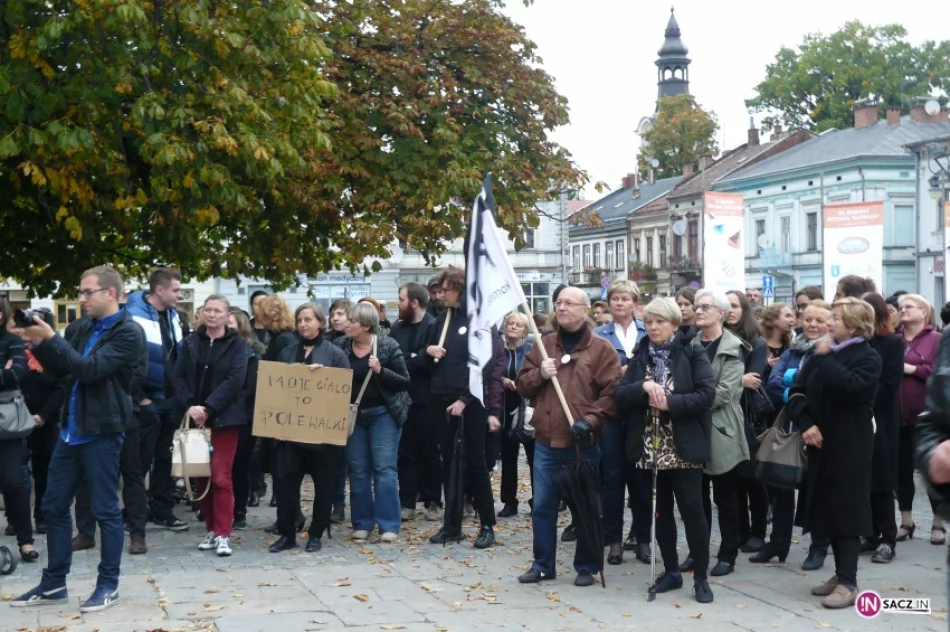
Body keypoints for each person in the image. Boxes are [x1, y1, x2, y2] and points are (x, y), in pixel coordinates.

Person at [11, 266, 146, 613]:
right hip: (71, 431)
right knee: (54, 506)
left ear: (110, 294)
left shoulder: (128, 332)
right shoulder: (82, 327)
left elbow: (89, 370)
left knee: (104, 510)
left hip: (103, 430)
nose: (82, 298)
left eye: (88, 292)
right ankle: (54, 582)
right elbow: (62, 370)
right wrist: (38, 342)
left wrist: (52, 339)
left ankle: (108, 585)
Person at [516, 286, 621, 588]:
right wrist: (540, 374)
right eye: (558, 303)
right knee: (542, 506)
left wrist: (590, 420)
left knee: (585, 507)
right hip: (547, 442)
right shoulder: (543, 344)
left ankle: (586, 565)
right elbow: (523, 385)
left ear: (585, 310)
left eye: (568, 303)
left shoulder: (601, 349)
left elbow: (612, 393)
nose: (561, 308)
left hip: (582, 445)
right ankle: (542, 564)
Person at [615, 297, 715, 603]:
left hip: (682, 444)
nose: (654, 327)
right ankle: (671, 571)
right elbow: (620, 395)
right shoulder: (640, 352)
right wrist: (643, 388)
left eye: (661, 322)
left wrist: (670, 403)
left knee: (693, 510)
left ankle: (700, 577)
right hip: (650, 444)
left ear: (674, 324)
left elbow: (707, 395)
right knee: (661, 512)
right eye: (650, 322)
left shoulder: (691, 351)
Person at [790, 297, 881, 609]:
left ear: (854, 325)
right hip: (818, 442)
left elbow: (851, 388)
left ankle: (849, 581)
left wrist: (826, 358)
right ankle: (839, 574)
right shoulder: (822, 352)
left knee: (847, 511)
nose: (828, 324)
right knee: (826, 508)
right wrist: (806, 424)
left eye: (835, 319)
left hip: (849, 445)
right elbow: (797, 391)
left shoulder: (867, 357)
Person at [425, 267, 502, 549]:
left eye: (446, 289)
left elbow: (485, 365)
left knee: (475, 462)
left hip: (470, 403)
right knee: (449, 463)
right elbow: (425, 358)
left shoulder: (481, 321)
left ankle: (487, 524)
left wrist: (465, 399)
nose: (441, 294)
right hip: (441, 399)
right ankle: (452, 523)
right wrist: (427, 352)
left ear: (460, 288)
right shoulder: (441, 320)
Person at [269, 304, 350, 553]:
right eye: (299, 320)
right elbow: (276, 391)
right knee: (285, 485)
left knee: (324, 485)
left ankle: (316, 533)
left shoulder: (335, 354)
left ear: (320, 323)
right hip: (290, 434)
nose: (303, 324)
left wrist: (324, 378)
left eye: (308, 319)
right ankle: (287, 534)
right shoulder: (287, 352)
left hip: (321, 435)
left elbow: (343, 391)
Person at [679, 289, 749, 579]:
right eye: (697, 306)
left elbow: (725, 393)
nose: (698, 311)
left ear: (721, 313)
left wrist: (687, 400)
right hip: (693, 428)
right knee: (696, 499)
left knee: (726, 496)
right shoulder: (688, 344)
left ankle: (728, 553)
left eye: (705, 307)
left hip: (721, 428)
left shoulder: (733, 347)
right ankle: (698, 552)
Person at [172, 295, 248, 558]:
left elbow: (236, 379)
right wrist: (191, 405)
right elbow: (178, 375)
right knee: (199, 476)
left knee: (220, 476)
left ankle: (224, 533)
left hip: (225, 419)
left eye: (217, 310)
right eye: (208, 310)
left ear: (228, 316)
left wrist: (209, 407)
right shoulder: (191, 342)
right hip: (194, 418)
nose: (212, 314)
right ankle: (210, 529)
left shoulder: (238, 345)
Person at [760, 300, 834, 568]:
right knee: (781, 486)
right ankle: (778, 544)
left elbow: (825, 390)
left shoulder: (831, 351)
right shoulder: (793, 350)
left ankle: (818, 547)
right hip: (791, 426)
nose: (812, 325)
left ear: (831, 324)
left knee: (816, 491)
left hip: (819, 429)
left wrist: (796, 385)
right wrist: (799, 388)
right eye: (808, 319)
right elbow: (774, 384)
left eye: (819, 320)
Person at [125, 267, 188, 539]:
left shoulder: (174, 317)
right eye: (176, 290)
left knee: (165, 458)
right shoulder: (132, 316)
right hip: (144, 402)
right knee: (138, 462)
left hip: (170, 399)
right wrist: (141, 397)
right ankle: (134, 514)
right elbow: (127, 363)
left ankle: (162, 509)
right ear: (159, 290)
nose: (180, 294)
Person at [592, 280, 651, 565]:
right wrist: (620, 373)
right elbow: (593, 373)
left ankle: (642, 539)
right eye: (615, 298)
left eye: (625, 298)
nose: (619, 303)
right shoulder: (599, 335)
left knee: (640, 479)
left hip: (641, 413)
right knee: (612, 479)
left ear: (634, 303)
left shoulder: (647, 332)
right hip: (612, 413)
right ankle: (613, 541)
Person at [340, 302, 410, 542]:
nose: (346, 324)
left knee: (384, 470)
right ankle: (362, 522)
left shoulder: (388, 346)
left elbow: (403, 381)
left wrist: (381, 370)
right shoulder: (341, 347)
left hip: (383, 414)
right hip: (354, 417)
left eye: (352, 321)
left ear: (367, 326)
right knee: (359, 471)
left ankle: (389, 525)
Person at [895, 293, 944, 543]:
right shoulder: (895, 340)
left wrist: (912, 369)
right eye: (901, 307)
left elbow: (941, 373)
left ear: (924, 312)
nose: (903, 310)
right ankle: (906, 521)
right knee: (901, 472)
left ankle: (938, 524)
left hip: (928, 419)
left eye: (909, 307)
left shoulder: (937, 339)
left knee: (932, 471)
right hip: (898, 418)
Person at [724, 290, 769, 555]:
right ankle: (740, 530)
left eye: (734, 306)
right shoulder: (715, 338)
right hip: (723, 415)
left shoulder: (756, 342)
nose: (729, 310)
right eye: (725, 305)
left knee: (753, 478)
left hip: (748, 416)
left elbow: (754, 379)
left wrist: (735, 381)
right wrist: (736, 380)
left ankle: (758, 531)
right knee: (732, 478)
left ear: (744, 309)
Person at [391, 283, 441, 521]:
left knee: (430, 452)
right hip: (402, 399)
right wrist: (420, 355)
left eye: (401, 300)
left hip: (428, 400)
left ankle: (433, 500)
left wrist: (414, 358)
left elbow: (433, 364)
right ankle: (407, 502)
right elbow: (393, 360)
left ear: (414, 302)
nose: (398, 304)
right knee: (405, 453)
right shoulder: (397, 328)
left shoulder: (434, 326)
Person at [860, 293, 903, 563]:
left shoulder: (891, 344)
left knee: (882, 480)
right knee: (863, 480)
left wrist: (859, 400)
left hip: (881, 420)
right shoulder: (853, 344)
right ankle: (871, 533)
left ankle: (888, 538)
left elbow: (889, 384)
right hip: (857, 421)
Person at [20, 309, 65, 537]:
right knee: (17, 476)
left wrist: (43, 415)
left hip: (44, 423)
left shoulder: (56, 353)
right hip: (15, 423)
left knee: (44, 474)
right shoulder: (16, 349)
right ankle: (17, 520)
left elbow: (61, 387)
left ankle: (42, 516)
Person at [0, 298, 33, 563]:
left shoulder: (11, 341)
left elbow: (18, 372)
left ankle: (25, 541)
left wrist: (9, 372)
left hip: (6, 425)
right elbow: (7, 373)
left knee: (14, 482)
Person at [227, 308, 264, 531]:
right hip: (220, 415)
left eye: (231, 324)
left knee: (239, 466)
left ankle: (239, 510)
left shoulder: (252, 355)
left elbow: (251, 388)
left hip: (243, 416)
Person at [497, 312, 535, 518]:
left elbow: (537, 376)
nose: (512, 327)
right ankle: (509, 502)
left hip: (527, 407)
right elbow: (491, 373)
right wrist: (502, 379)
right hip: (504, 406)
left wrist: (522, 382)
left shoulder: (531, 350)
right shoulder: (499, 350)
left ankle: (537, 500)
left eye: (518, 325)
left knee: (533, 457)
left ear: (525, 330)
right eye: (510, 323)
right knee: (508, 457)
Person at [326, 298, 352, 523]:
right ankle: (330, 502)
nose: (335, 318)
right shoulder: (324, 341)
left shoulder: (352, 343)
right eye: (333, 313)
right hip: (324, 408)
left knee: (342, 461)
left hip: (346, 408)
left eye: (341, 314)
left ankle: (338, 504)